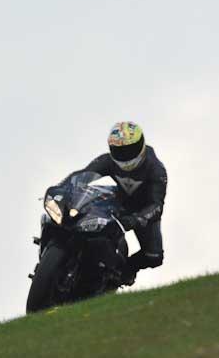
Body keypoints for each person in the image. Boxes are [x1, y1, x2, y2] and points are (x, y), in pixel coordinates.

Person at [69, 121, 167, 284]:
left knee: (154, 257)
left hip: (143, 210)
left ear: (141, 145)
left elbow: (157, 205)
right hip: (118, 200)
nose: (125, 155)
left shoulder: (156, 169)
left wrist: (135, 219)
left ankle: (126, 270)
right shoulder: (108, 160)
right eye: (120, 150)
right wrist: (62, 188)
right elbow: (82, 175)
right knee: (79, 211)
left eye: (130, 149)